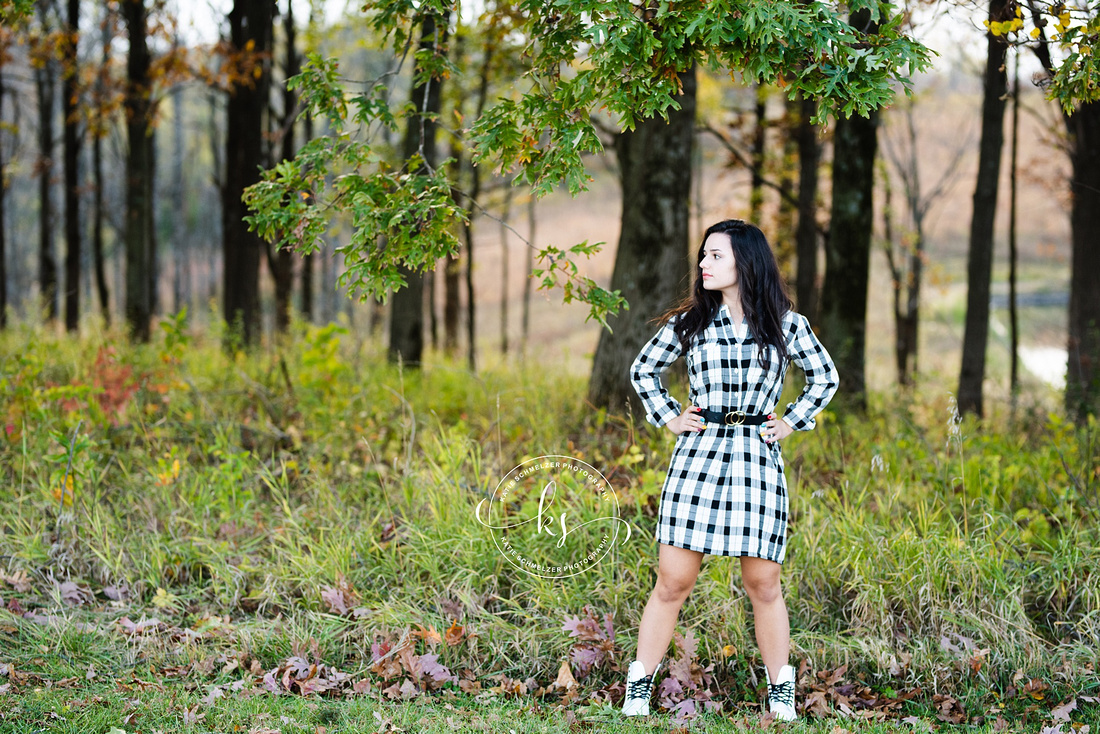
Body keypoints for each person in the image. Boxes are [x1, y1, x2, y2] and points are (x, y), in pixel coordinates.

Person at [623, 219, 839, 721]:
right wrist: (671, 417)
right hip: (698, 455)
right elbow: (642, 370)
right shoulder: (691, 322)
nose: (703, 263)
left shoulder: (787, 324)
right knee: (672, 581)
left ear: (746, 260)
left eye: (715, 255)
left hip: (756, 459)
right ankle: (639, 687)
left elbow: (824, 376)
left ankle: (781, 692)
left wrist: (791, 421)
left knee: (763, 583)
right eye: (703, 255)